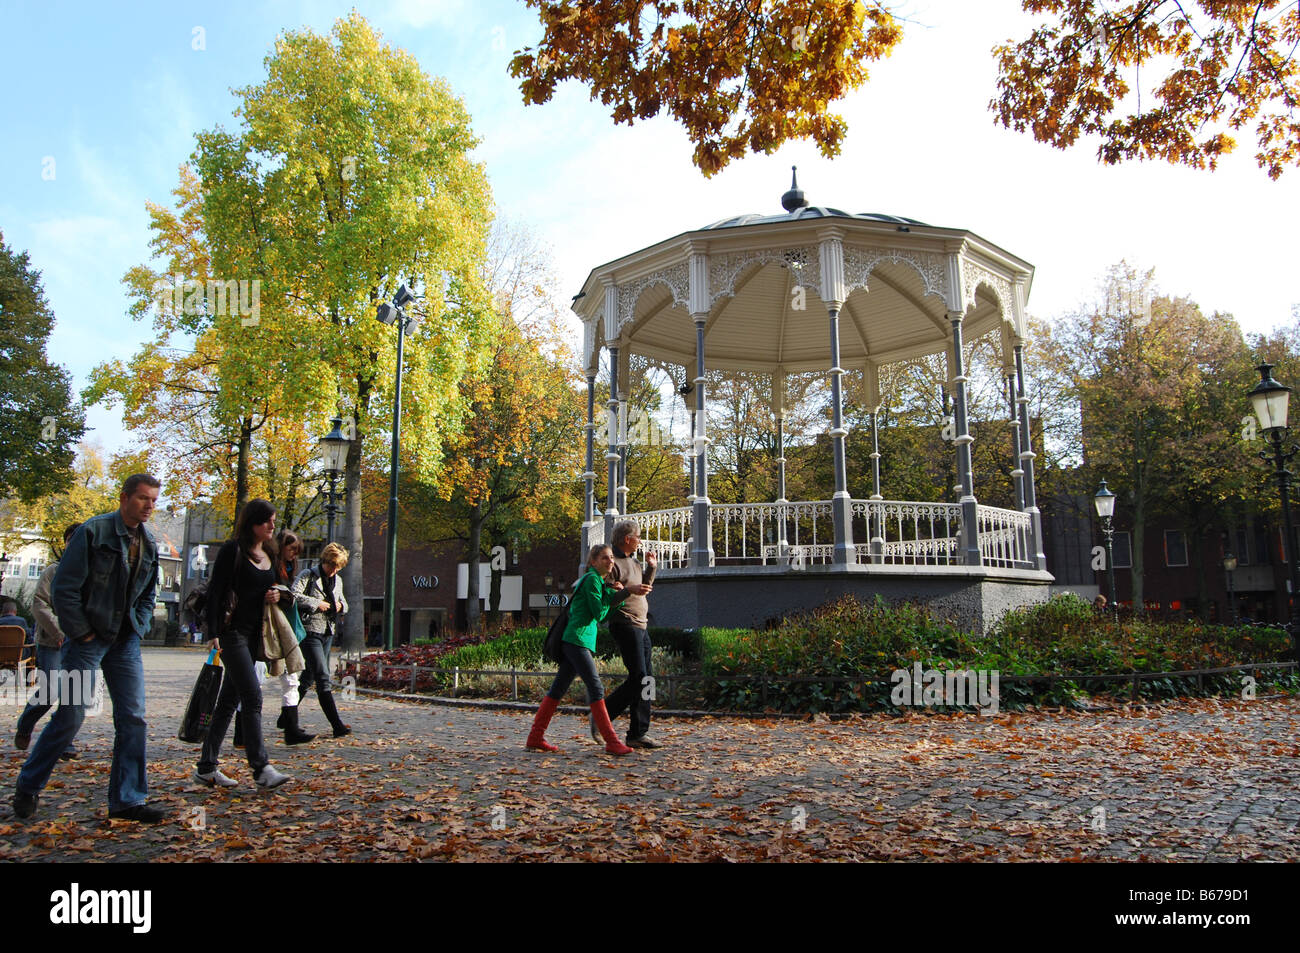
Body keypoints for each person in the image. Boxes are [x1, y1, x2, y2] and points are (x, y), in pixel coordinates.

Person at [12, 475, 165, 823]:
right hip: (88, 642)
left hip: (125, 641)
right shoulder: (93, 532)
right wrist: (81, 634)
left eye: (154, 500)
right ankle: (29, 785)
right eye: (143, 499)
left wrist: (139, 626)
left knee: (134, 718)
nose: (149, 506)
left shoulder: (151, 543)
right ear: (124, 498)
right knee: (70, 717)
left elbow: (147, 594)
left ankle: (128, 800)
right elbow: (65, 590)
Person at [192, 499, 291, 790]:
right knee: (252, 695)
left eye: (273, 521)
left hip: (255, 635)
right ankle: (261, 768)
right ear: (252, 523)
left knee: (227, 702)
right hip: (232, 632)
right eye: (266, 522)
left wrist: (277, 594)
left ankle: (206, 767)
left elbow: (280, 587)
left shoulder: (270, 551)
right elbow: (216, 591)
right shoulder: (232, 551)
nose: (272, 526)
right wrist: (213, 632)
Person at [525, 544, 634, 756]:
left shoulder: (597, 581)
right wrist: (623, 595)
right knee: (596, 688)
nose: (610, 561)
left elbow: (600, 607)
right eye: (605, 558)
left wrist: (615, 596)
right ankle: (611, 741)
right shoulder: (592, 579)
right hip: (577, 640)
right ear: (593, 562)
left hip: (575, 640)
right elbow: (599, 614)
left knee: (558, 689)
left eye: (611, 557)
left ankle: (535, 737)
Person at [14, 524, 82, 759]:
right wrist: (59, 631)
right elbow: (40, 604)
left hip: (80, 643)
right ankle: (26, 723)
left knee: (74, 693)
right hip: (53, 642)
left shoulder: (90, 573)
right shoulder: (53, 572)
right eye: (72, 538)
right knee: (52, 690)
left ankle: (65, 741)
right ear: (66, 543)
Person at [599, 520, 661, 748]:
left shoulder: (635, 563)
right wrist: (627, 591)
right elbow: (607, 599)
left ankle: (638, 733)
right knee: (638, 677)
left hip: (642, 626)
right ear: (627, 539)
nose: (640, 541)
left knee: (647, 679)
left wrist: (651, 568)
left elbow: (643, 588)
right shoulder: (612, 564)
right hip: (625, 624)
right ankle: (602, 716)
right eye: (638, 537)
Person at [291, 542, 352, 738]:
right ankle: (337, 726)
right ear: (324, 561)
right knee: (322, 677)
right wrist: (317, 603)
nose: (334, 570)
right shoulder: (308, 576)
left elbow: (343, 602)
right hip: (309, 632)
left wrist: (341, 606)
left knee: (308, 677)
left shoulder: (339, 580)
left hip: (327, 632)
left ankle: (286, 717)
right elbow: (293, 595)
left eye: (338, 567)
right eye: (332, 566)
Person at [271, 530, 315, 745]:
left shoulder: (288, 569)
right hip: (273, 628)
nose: (294, 555)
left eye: (297, 552)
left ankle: (291, 728)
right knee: (254, 679)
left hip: (287, 628)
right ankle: (243, 733)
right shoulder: (271, 567)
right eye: (291, 550)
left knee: (292, 677)